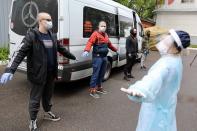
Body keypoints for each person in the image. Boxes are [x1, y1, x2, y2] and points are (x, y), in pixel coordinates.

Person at [0, 12, 76, 131]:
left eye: (51, 19)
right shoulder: (32, 36)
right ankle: (33, 120)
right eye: (48, 19)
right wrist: (10, 70)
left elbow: (61, 49)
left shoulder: (52, 35)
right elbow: (20, 53)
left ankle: (47, 112)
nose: (51, 22)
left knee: (48, 95)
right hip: (38, 74)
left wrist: (72, 56)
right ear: (40, 21)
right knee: (35, 98)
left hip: (51, 73)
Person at [121, 29, 190, 131]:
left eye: (167, 40)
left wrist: (140, 89)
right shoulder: (176, 60)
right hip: (167, 106)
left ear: (175, 48)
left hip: (156, 112)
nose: (163, 42)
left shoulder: (166, 64)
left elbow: (153, 79)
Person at [82, 21, 118, 99]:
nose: (103, 27)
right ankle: (92, 90)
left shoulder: (106, 35)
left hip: (104, 57)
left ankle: (99, 87)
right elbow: (90, 42)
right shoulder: (95, 34)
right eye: (102, 26)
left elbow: (109, 45)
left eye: (105, 26)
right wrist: (86, 50)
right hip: (97, 57)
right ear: (99, 26)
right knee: (96, 73)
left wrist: (115, 49)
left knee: (102, 73)